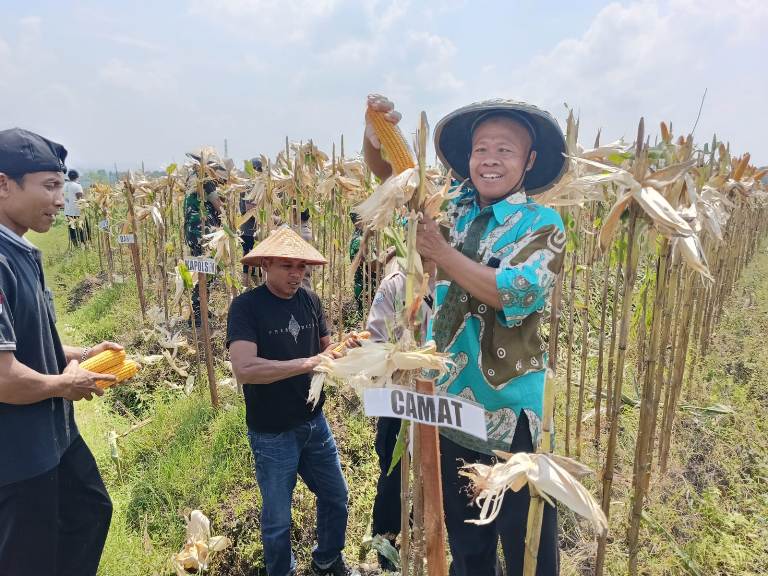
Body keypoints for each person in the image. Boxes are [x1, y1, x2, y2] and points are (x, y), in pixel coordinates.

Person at [364, 95, 568, 576]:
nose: (490, 160)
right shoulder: (454, 206)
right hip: (453, 401)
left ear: (529, 162)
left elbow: (517, 291)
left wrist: (442, 254)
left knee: (527, 546)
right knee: (468, 541)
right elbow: (397, 183)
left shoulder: (543, 226)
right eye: (481, 149)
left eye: (505, 150)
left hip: (511, 413)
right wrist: (374, 138)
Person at [0, 128, 123, 575]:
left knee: (90, 510)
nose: (60, 199)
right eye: (49, 186)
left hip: (54, 435)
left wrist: (79, 353)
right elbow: (4, 378)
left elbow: (28, 341)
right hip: (18, 450)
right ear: (3, 184)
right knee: (29, 556)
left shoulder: (22, 250)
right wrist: (63, 385)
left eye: (60, 185)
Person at [227, 226, 359, 576]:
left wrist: (345, 350)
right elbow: (245, 369)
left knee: (336, 497)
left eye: (302, 266)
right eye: (287, 265)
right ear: (266, 264)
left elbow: (325, 351)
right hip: (272, 432)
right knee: (277, 520)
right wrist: (308, 363)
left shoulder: (310, 301)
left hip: (314, 422)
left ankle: (327, 559)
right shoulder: (246, 307)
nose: (296, 274)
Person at [347, 255, 435, 572]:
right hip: (399, 395)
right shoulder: (396, 284)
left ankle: (423, 536)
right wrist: (403, 352)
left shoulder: (456, 282)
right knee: (393, 470)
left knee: (432, 471)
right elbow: (376, 339)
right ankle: (386, 542)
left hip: (440, 400)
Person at [183, 148, 224, 326]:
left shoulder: (191, 178)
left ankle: (202, 308)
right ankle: (199, 313)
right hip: (203, 231)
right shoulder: (205, 181)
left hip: (193, 231)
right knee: (207, 270)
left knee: (204, 269)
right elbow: (217, 204)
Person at [240, 157, 263, 284]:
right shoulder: (249, 186)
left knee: (257, 263)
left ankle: (256, 287)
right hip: (249, 230)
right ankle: (246, 288)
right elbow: (250, 209)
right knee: (248, 262)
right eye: (258, 169)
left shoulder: (254, 185)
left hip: (255, 229)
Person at [63, 168, 86, 246]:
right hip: (77, 211)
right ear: (77, 177)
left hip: (67, 211)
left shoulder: (64, 185)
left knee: (72, 229)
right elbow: (80, 199)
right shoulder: (77, 186)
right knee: (81, 229)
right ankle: (83, 245)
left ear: (69, 177)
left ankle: (76, 246)